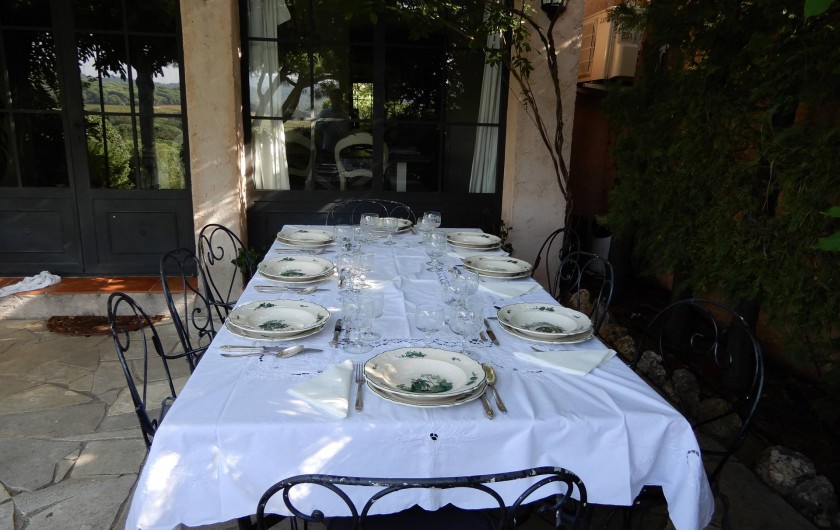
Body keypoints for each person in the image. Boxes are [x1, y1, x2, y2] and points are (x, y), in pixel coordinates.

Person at [315, 88, 351, 157]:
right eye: (334, 97)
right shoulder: (324, 113)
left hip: (342, 150)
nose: (336, 100)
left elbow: (346, 133)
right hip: (327, 150)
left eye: (338, 98)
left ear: (341, 99)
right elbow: (317, 129)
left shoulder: (345, 115)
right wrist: (329, 120)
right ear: (330, 99)